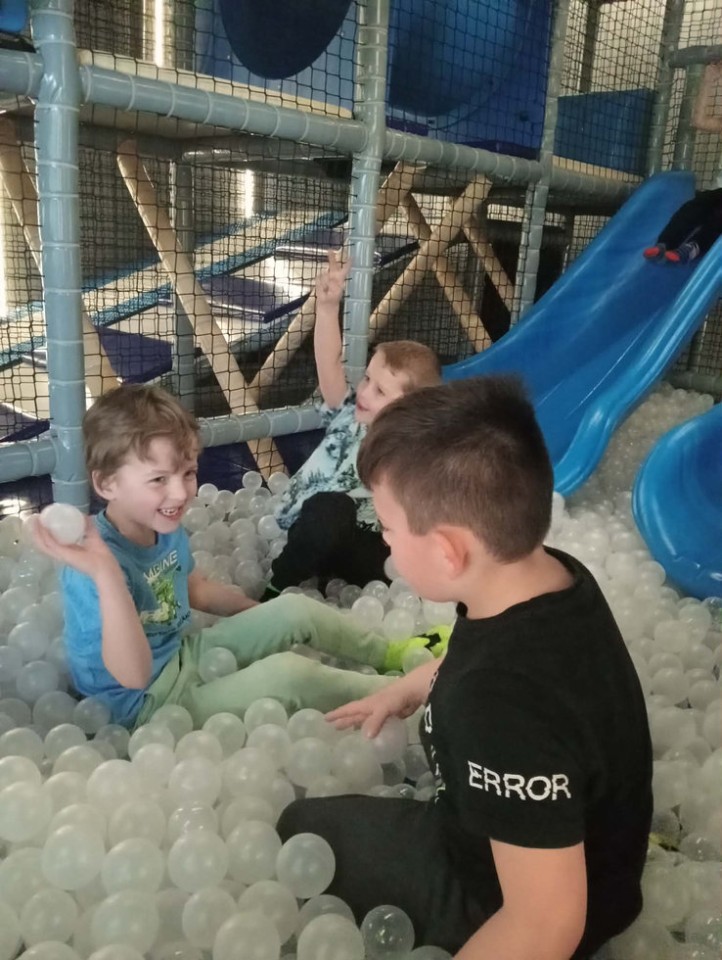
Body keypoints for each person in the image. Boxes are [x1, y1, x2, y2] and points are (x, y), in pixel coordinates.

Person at [278, 376, 653, 959]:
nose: (385, 542)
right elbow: (489, 650)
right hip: (579, 864)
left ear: (448, 551)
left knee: (300, 828)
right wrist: (412, 684)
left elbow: (545, 925)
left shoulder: (496, 701)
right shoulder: (543, 575)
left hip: (500, 900)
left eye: (388, 528)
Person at [30, 384, 409, 730]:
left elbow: (193, 588)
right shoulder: (92, 568)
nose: (181, 493)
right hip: (142, 707)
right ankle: (407, 695)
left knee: (294, 608)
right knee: (288, 674)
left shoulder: (160, 525)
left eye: (188, 473)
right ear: (107, 483)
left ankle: (395, 653)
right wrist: (107, 575)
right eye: (159, 479)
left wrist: (267, 622)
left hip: (181, 656)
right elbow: (134, 676)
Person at [270, 250, 441, 591]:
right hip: (317, 527)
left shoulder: (413, 454)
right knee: (331, 508)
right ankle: (276, 588)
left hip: (360, 548)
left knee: (403, 564)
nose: (364, 391)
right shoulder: (350, 416)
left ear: (410, 409)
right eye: (367, 379)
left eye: (380, 391)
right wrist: (327, 307)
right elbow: (329, 364)